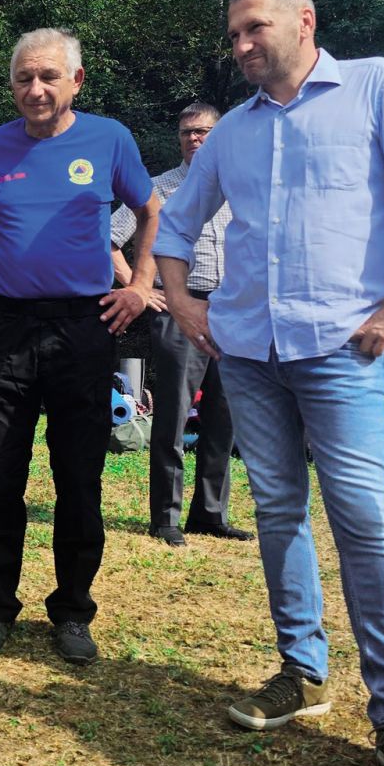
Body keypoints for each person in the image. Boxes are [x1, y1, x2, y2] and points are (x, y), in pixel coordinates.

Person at [155, 0, 384, 766]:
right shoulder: (234, 135)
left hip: (342, 350)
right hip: (252, 354)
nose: (242, 45)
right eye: (232, 35)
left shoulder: (375, 86)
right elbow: (178, 225)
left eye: (254, 28)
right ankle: (302, 673)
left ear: (304, 21)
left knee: (364, 520)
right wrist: (184, 301)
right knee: (279, 512)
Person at [0, 28, 160, 664]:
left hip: (83, 326)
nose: (36, 89)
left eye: (48, 77)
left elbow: (152, 209)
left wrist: (142, 283)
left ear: (77, 80)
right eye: (24, 78)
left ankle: (72, 612)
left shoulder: (109, 139)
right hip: (6, 325)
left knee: (78, 477)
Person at [110, 103, 251, 547]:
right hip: (176, 310)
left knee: (223, 417)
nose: (196, 139)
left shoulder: (243, 186)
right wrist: (139, 287)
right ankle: (165, 517)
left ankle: (210, 513)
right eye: (188, 132)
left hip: (233, 313)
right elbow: (108, 239)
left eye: (205, 131)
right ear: (179, 137)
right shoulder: (156, 189)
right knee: (171, 415)